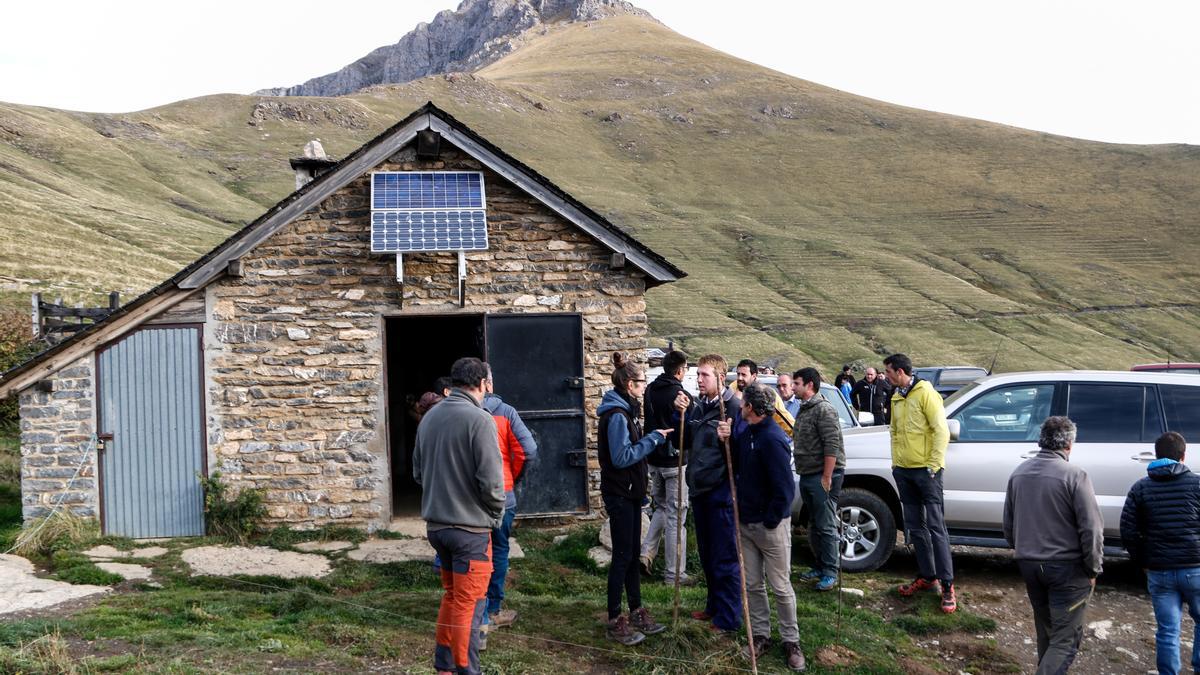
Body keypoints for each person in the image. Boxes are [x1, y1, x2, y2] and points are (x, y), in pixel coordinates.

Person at [412, 357, 505, 675]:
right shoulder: (480, 420)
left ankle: (444, 667)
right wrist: (496, 514)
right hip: (470, 532)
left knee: (453, 597)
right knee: (470, 604)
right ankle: (467, 670)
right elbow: (492, 482)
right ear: (482, 384)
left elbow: (418, 473)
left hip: (437, 528)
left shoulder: (429, 417)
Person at [1004, 416, 1103, 674]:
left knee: (1047, 632)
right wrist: (1093, 568)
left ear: (1041, 440)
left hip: (1029, 564)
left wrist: (1021, 548)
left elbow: (1008, 524)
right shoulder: (1076, 476)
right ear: (1069, 444)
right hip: (1066, 569)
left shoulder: (1019, 473)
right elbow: (1091, 528)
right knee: (1065, 640)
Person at [720, 383, 805, 671]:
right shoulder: (747, 434)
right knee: (753, 584)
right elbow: (739, 465)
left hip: (771, 527)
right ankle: (760, 635)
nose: (740, 406)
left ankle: (791, 641)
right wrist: (726, 440)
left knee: (780, 586)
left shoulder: (773, 439)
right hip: (745, 523)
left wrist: (770, 520)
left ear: (751, 409)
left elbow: (784, 489)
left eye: (743, 403)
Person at [597, 351, 672, 645]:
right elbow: (621, 457)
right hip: (620, 494)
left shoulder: (626, 410)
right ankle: (615, 618)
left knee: (630, 555)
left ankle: (636, 609)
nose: (645, 386)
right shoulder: (616, 416)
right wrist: (652, 439)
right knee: (622, 557)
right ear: (630, 384)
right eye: (642, 382)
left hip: (629, 493)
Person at [675, 353, 744, 634]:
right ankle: (714, 606)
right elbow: (687, 441)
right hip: (699, 489)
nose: (698, 380)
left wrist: (732, 439)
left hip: (720, 491)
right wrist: (679, 414)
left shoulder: (734, 408)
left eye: (703, 375)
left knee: (725, 557)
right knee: (706, 553)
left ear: (719, 377)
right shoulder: (699, 407)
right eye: (697, 375)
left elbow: (743, 455)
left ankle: (729, 618)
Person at [1120, 431, 1200, 675]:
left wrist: (1142, 561)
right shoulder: (1197, 484)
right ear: (1183, 456)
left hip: (1159, 571)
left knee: (1167, 629)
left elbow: (1128, 530)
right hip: (1195, 568)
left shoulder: (1141, 487)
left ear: (1156, 455)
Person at [884, 352, 956, 613]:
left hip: (927, 472)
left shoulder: (926, 393)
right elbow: (894, 432)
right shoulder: (895, 396)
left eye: (889, 372)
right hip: (903, 471)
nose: (886, 377)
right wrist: (895, 463)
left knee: (936, 527)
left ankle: (947, 585)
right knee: (915, 526)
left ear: (900, 372)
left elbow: (941, 430)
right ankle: (927, 576)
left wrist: (934, 466)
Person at [479, 364, 539, 642]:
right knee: (500, 549)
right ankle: (492, 609)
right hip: (503, 493)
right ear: (488, 384)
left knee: (475, 552)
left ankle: (473, 611)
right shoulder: (505, 413)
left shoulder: (455, 411)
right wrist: (512, 477)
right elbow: (527, 450)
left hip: (469, 497)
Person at [639, 349, 695, 586]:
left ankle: (646, 553)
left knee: (661, 508)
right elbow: (687, 432)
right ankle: (674, 574)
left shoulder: (650, 390)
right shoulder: (682, 394)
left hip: (654, 459)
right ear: (681, 370)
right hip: (675, 462)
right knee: (676, 518)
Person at [792, 367, 845, 592]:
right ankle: (820, 565)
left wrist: (826, 476)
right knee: (814, 524)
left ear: (809, 385)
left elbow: (832, 444)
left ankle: (831, 572)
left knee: (826, 524)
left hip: (822, 475)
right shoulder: (806, 409)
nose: (793, 387)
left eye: (797, 383)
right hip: (808, 473)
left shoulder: (824, 410)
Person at [732, 358, 795, 435]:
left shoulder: (765, 393)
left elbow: (784, 419)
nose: (739, 378)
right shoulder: (734, 386)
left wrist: (798, 436)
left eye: (743, 375)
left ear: (754, 376)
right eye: (738, 374)